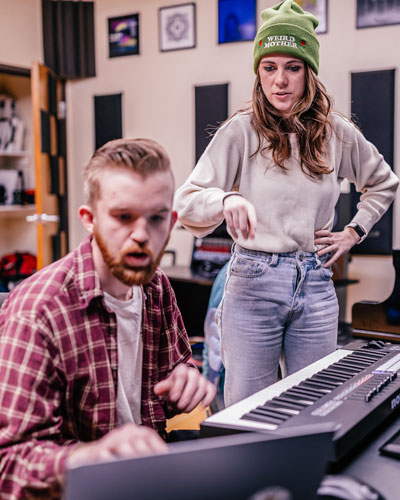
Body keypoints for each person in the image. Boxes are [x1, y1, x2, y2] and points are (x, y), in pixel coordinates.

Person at [174, 0, 399, 407]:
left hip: (314, 282)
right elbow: (187, 202)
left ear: (309, 72)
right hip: (252, 284)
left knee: (313, 407)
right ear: (258, 72)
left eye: (292, 67)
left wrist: (353, 232)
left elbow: (383, 183)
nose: (280, 80)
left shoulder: (337, 133)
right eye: (269, 67)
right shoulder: (239, 131)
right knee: (248, 408)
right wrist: (225, 200)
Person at [0, 138, 216, 500]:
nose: (141, 236)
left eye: (157, 218)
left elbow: (175, 374)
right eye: (123, 217)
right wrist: (92, 456)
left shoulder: (156, 287)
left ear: (172, 220)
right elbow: (8, 464)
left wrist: (185, 384)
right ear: (89, 219)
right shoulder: (40, 311)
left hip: (146, 477)